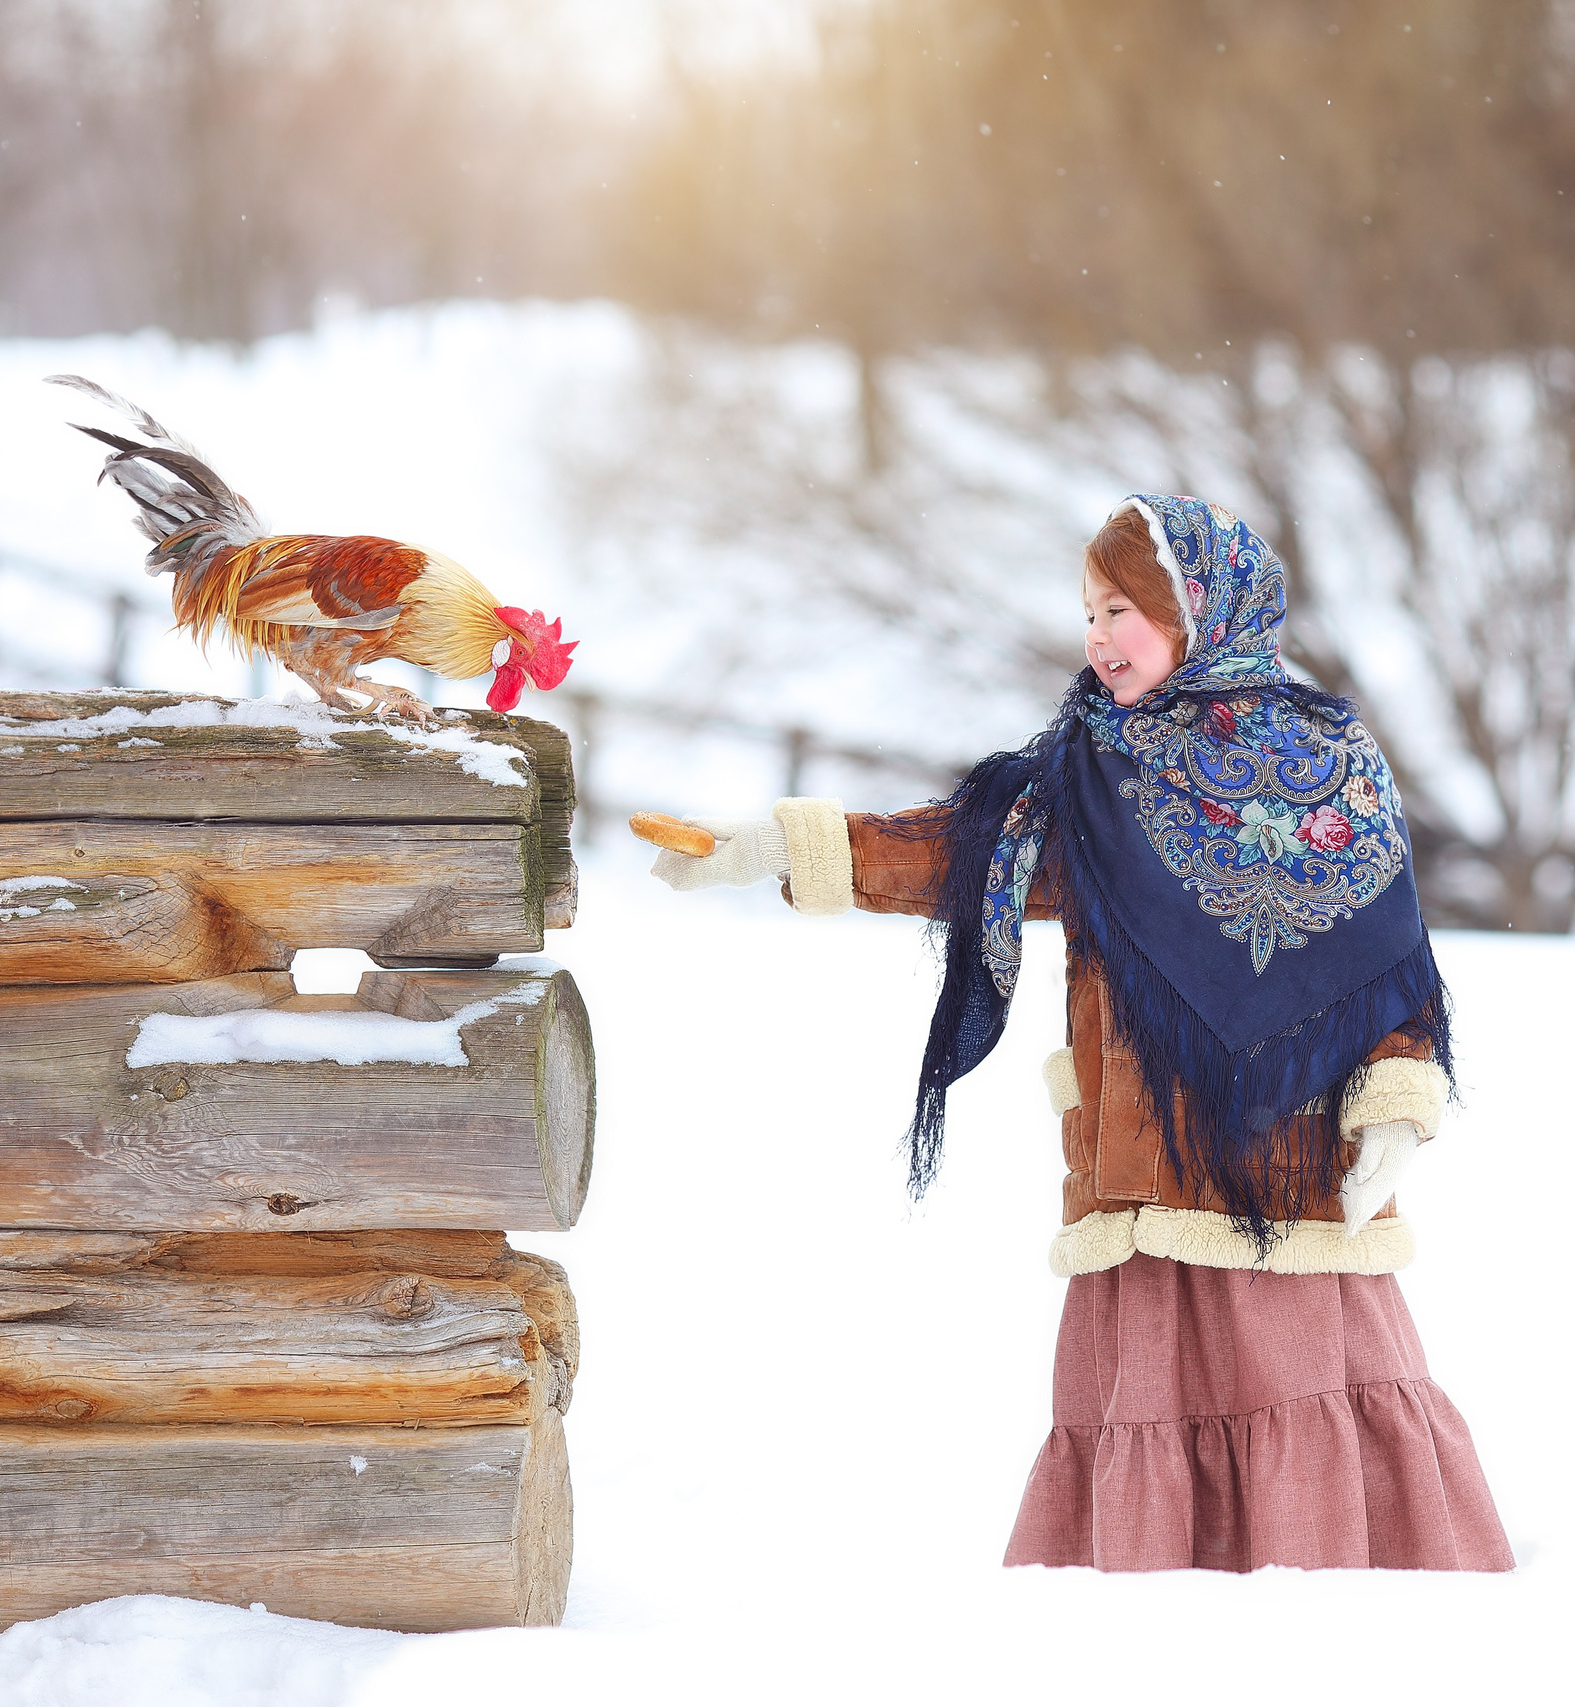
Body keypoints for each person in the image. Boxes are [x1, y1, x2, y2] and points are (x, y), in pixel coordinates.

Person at [642, 494, 1513, 1572]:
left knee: (1296, 1389)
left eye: (1121, 609)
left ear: (1200, 610)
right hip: (1140, 1169)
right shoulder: (1091, 780)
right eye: (1087, 612)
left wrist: (1396, 1100)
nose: (1098, 639)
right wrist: (780, 847)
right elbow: (960, 855)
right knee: (1145, 1409)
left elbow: (1385, 957)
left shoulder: (1332, 768)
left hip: (1285, 1177)